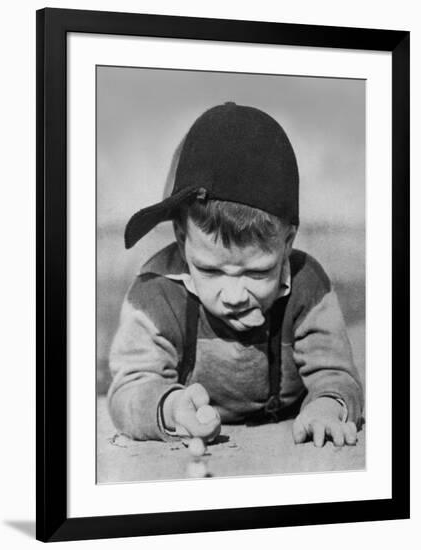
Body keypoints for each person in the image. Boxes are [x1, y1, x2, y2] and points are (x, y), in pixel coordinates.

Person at [107, 101, 364, 447]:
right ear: (182, 240)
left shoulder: (308, 287)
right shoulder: (155, 293)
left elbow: (336, 375)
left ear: (287, 243)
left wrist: (327, 408)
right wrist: (169, 408)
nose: (233, 295)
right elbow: (129, 389)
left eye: (257, 273)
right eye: (210, 270)